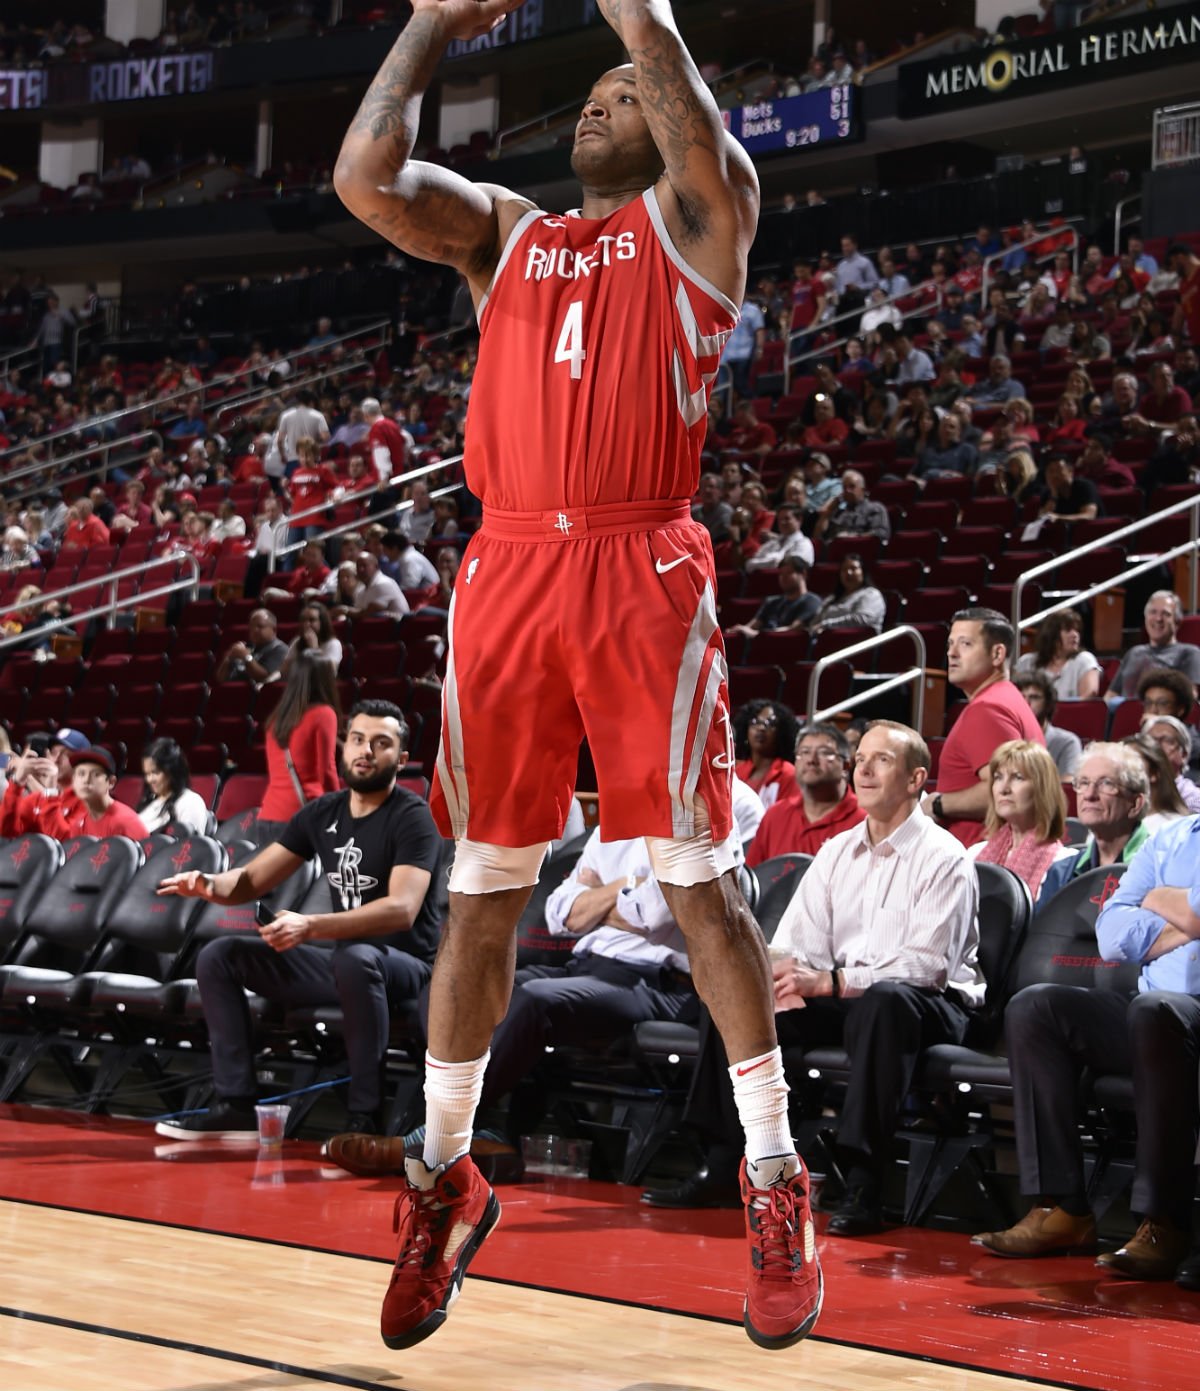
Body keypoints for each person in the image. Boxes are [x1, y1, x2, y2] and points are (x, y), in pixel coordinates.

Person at [334, 0, 820, 1352]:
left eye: (629, 91)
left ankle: (775, 1173)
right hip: (504, 571)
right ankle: (445, 1175)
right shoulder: (507, 232)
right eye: (593, 93)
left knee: (695, 874)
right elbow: (363, 181)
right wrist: (432, 22)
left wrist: (641, 19)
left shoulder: (700, 217)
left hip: (637, 561)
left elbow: (698, 137)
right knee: (486, 883)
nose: (605, 102)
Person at [645, 721, 983, 1235]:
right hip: (844, 995)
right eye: (861, 758)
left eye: (882, 761)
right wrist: (773, 975)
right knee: (739, 994)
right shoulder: (836, 852)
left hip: (930, 1006)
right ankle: (720, 1159)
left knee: (886, 1003)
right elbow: (794, 943)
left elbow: (928, 967)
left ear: (916, 779)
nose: (863, 769)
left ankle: (864, 1180)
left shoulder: (945, 857)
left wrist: (829, 982)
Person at [155, 702, 442, 1141]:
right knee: (220, 955)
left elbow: (401, 909)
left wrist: (310, 926)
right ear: (344, 748)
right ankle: (235, 1104)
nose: (367, 751)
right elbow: (252, 879)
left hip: (406, 969)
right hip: (344, 962)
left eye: (382, 744)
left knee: (357, 959)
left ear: (401, 760)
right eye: (359, 740)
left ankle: (363, 1118)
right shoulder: (322, 813)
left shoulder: (413, 817)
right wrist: (209, 883)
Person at [973, 812, 1200, 1283]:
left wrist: (1160, 901)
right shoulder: (1171, 837)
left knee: (1155, 1010)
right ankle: (1061, 1208)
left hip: (1173, 1014)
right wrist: (1191, 918)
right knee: (1036, 1008)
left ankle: (1164, 1222)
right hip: (1151, 1012)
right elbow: (1113, 934)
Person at [928, 609, 1046, 846]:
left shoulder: (987, 709)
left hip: (983, 855)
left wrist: (937, 804)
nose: (952, 653)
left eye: (966, 644)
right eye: (950, 644)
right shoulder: (1005, 698)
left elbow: (1007, 789)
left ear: (997, 654)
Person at [1037, 743, 1150, 907]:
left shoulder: (1161, 866)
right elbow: (1042, 932)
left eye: (1106, 783)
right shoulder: (1061, 873)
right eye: (1083, 783)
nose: (1089, 795)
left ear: (1135, 803)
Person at [746, 722, 864, 864]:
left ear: (846, 766)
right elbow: (753, 876)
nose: (811, 760)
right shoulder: (776, 815)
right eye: (804, 752)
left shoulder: (864, 821)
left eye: (824, 752)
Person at [968, 740, 1071, 902]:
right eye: (998, 777)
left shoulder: (1062, 863)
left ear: (1042, 789)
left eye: (1018, 777)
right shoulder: (974, 854)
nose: (1004, 789)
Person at [258, 650, 341, 845]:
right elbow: (326, 771)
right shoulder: (324, 714)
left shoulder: (276, 719)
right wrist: (340, 810)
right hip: (301, 815)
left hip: (268, 815)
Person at [6, 743, 149, 843]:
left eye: (96, 774)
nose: (86, 780)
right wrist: (18, 781)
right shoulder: (80, 821)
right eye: (81, 774)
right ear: (73, 780)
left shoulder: (125, 821)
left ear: (111, 782)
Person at [1107, 591, 1200, 701]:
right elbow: (1111, 695)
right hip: (1125, 715)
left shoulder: (1189, 653)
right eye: (1153, 612)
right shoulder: (1134, 653)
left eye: (1166, 614)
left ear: (1177, 622)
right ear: (1145, 618)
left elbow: (1190, 698)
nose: (1158, 619)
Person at [725, 556, 818, 644]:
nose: (783, 578)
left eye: (789, 573)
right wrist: (739, 630)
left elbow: (793, 629)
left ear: (803, 574)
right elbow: (752, 626)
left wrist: (757, 635)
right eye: (781, 574)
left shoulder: (811, 601)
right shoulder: (772, 601)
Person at [1013, 609, 1101, 700]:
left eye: (1077, 630)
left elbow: (1090, 694)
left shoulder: (1084, 659)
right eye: (1068, 630)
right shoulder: (1027, 662)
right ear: (1051, 634)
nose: (1075, 635)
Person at [1014, 670, 1083, 781]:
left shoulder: (1067, 742)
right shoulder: (1004, 739)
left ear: (1048, 703)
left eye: (1034, 697)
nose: (1026, 703)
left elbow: (1067, 788)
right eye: (1020, 697)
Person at [734, 699, 799, 810]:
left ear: (782, 733)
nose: (761, 728)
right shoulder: (737, 772)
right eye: (755, 722)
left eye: (770, 723)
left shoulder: (789, 774)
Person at [136, 737, 209, 835]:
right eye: (147, 774)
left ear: (171, 770)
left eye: (155, 773)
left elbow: (191, 845)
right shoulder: (149, 802)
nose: (149, 780)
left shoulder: (190, 801)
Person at [1122, 733, 1190, 836]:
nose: (1119, 770)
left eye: (1131, 763)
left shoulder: (1177, 828)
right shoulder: (1108, 823)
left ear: (1154, 773)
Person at [808, 553, 885, 635]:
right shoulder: (832, 598)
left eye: (853, 568)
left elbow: (863, 619)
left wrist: (826, 625)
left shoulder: (871, 594)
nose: (848, 573)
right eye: (844, 569)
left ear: (863, 572)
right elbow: (815, 623)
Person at [814, 469, 890, 544]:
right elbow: (819, 538)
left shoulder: (875, 508)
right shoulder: (838, 512)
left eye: (852, 487)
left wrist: (854, 537)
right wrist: (828, 512)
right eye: (844, 488)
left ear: (863, 489)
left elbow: (881, 533)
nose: (847, 491)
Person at [1142, 714, 1200, 814]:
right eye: (1150, 740)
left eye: (1167, 740)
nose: (1156, 746)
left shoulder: (1192, 798)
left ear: (1184, 755)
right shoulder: (1134, 791)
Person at [215, 608, 289, 685]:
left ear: (274, 630)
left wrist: (247, 657)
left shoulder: (280, 649)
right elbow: (220, 679)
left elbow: (265, 677)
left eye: (260, 626)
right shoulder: (245, 647)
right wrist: (228, 658)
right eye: (251, 627)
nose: (254, 630)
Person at [281, 600, 344, 676]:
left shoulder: (333, 644)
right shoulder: (297, 641)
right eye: (303, 620)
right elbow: (284, 671)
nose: (306, 624)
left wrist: (314, 649)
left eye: (312, 620)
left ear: (322, 622)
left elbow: (330, 673)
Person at [743, 504, 813, 571]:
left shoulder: (804, 543)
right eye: (780, 519)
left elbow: (791, 566)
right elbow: (749, 565)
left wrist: (765, 562)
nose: (782, 522)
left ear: (799, 520)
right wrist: (775, 560)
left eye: (787, 519)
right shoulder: (771, 543)